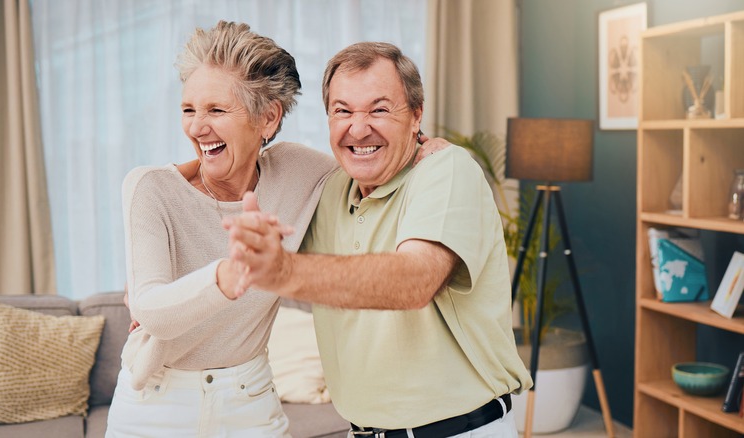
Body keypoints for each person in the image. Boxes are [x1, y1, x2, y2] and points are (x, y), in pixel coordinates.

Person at [107, 22, 447, 437]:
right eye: (189, 110)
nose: (197, 127)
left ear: (268, 118)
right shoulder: (150, 188)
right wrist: (228, 275)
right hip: (156, 404)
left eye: (216, 110)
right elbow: (151, 311)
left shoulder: (298, 171)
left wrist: (428, 147)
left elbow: (367, 156)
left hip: (249, 398)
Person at [226, 42, 533, 438]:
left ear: (416, 115)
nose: (358, 128)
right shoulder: (327, 189)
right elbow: (232, 169)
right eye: (342, 111)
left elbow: (415, 280)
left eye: (379, 109)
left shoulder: (446, 170)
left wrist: (285, 271)